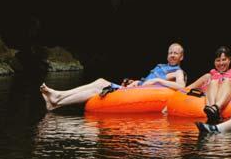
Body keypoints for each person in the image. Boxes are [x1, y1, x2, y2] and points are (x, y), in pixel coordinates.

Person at [40, 42, 187, 111]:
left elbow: (181, 86)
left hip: (138, 95)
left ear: (182, 57)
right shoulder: (161, 66)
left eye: (176, 53)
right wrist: (137, 82)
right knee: (100, 81)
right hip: (136, 90)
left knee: (97, 89)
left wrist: (157, 80)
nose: (172, 55)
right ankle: (58, 96)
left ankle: (57, 100)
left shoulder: (177, 72)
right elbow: (146, 82)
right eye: (170, 52)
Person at [181, 46, 231, 124]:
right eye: (218, 60)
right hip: (211, 101)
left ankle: (216, 107)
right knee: (213, 82)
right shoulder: (209, 76)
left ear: (229, 60)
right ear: (214, 62)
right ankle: (211, 109)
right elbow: (188, 88)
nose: (221, 63)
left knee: (227, 81)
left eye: (224, 60)